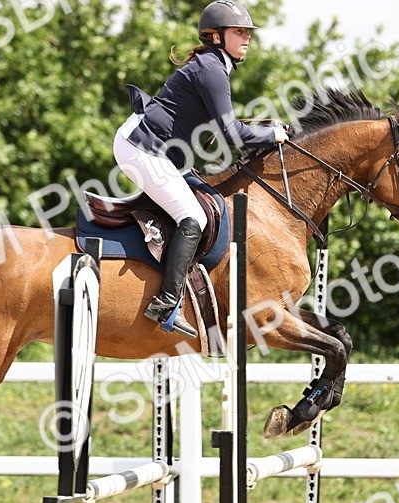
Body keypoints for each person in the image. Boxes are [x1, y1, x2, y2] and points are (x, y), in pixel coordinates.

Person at [114, 0, 288, 338]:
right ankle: (165, 301)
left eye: (247, 33)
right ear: (216, 36)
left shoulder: (213, 65)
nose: (247, 38)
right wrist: (273, 134)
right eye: (239, 32)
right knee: (195, 217)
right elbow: (232, 133)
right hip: (140, 148)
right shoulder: (212, 68)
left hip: (154, 148)